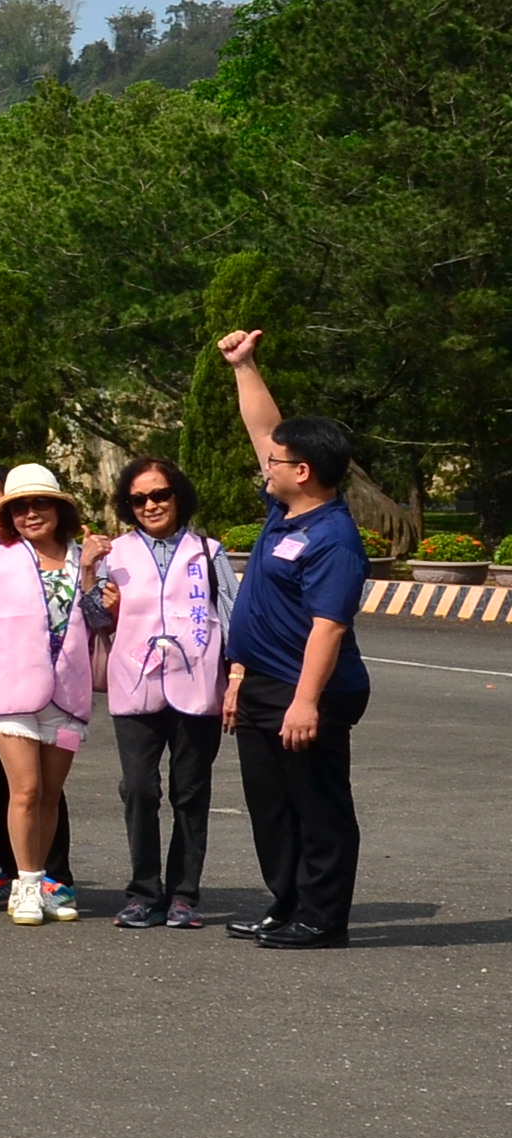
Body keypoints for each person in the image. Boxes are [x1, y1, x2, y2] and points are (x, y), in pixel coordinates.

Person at [212, 330, 370, 951]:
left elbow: (329, 628)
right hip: (262, 684)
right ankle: (288, 904)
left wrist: (305, 702)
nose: (265, 465)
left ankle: (324, 918)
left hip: (310, 692)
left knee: (318, 805)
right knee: (272, 806)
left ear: (302, 472)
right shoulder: (287, 510)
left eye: (276, 463)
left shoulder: (334, 537)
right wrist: (245, 367)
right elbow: (264, 432)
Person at [92, 455, 227, 930]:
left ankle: (184, 894)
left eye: (160, 494)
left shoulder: (208, 552)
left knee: (189, 792)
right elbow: (90, 620)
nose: (151, 505)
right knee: (140, 790)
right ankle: (143, 892)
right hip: (135, 684)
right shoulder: (115, 554)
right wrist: (92, 581)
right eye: (139, 499)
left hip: (197, 685)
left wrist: (238, 679)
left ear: (178, 496)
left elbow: (230, 616)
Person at [0, 464, 95, 926]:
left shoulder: (84, 555)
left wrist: (88, 575)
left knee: (49, 794)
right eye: (19, 506)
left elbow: (101, 619)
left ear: (59, 509)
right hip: (11, 696)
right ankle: (24, 885)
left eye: (40, 503)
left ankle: (42, 882)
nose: (30, 513)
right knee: (24, 790)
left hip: (66, 696)